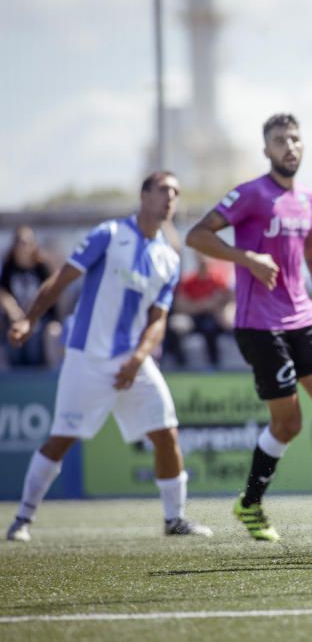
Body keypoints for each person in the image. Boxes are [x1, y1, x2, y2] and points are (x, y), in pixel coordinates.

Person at [186, 113, 312, 541]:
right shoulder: (251, 195)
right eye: (280, 140)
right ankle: (250, 503)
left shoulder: (308, 199)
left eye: (294, 139)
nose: (289, 146)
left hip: (304, 319)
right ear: (266, 150)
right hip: (260, 326)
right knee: (288, 424)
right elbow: (196, 236)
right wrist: (246, 259)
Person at [5, 172, 212, 542]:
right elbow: (61, 280)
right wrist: (29, 320)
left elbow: (158, 321)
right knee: (61, 440)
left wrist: (137, 359)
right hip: (86, 358)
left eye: (176, 193)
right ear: (144, 195)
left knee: (167, 434)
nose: (170, 198)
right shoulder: (109, 235)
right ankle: (23, 518)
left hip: (133, 360)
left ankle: (174, 519)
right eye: (163, 190)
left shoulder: (168, 258)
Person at [1, 225, 61, 368]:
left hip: (39, 319)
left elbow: (51, 294)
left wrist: (32, 313)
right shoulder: (9, 267)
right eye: (20, 243)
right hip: (15, 320)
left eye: (27, 243)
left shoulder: (42, 268)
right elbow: (3, 292)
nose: (24, 247)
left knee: (37, 340)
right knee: (13, 343)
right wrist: (12, 308)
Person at [165, 252, 234, 368]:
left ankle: (215, 364)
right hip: (194, 317)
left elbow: (226, 301)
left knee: (210, 327)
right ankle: (181, 365)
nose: (203, 262)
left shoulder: (219, 280)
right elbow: (180, 306)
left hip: (214, 319)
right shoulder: (189, 281)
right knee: (176, 326)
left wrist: (206, 305)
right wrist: (204, 304)